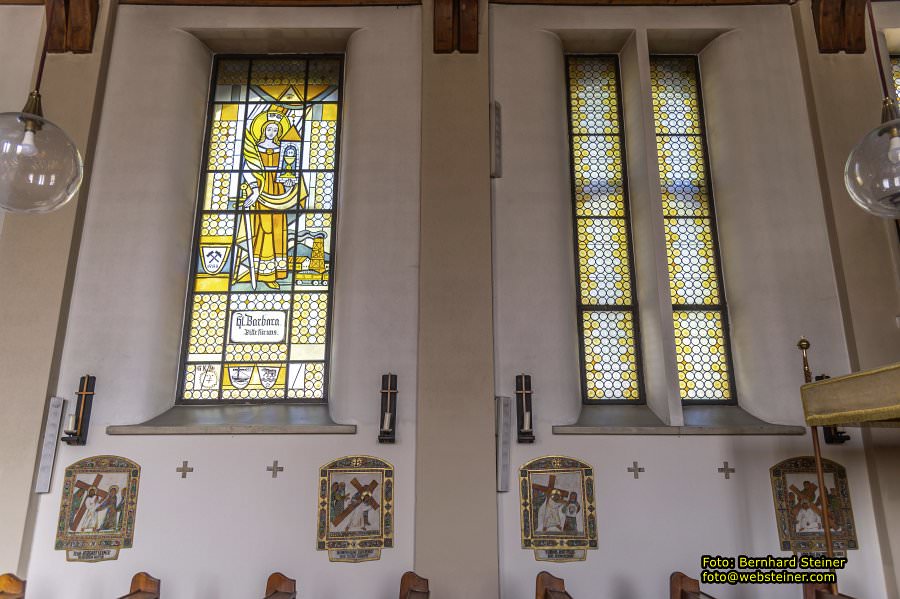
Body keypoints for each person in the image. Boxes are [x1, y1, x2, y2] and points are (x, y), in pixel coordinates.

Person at [237, 105, 308, 289]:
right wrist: (254, 190)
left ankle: (273, 273)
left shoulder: (283, 149)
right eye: (269, 129)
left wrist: (289, 184)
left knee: (278, 230)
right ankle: (257, 271)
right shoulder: (255, 149)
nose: (272, 132)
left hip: (278, 193)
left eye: (275, 130)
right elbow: (248, 169)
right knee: (261, 229)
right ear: (263, 129)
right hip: (260, 190)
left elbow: (289, 170)